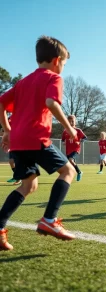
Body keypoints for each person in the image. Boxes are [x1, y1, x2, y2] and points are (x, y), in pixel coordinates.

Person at [0, 35, 77, 251]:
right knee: (68, 171)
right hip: (36, 138)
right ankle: (49, 220)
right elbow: (51, 102)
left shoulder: (23, 81)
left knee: (28, 185)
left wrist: (7, 130)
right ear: (56, 60)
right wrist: (69, 128)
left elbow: (1, 103)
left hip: (18, 142)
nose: (63, 67)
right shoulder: (54, 78)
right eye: (64, 63)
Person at [62, 115, 87, 181]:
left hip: (76, 149)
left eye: (72, 121)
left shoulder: (78, 130)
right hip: (68, 150)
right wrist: (64, 142)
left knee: (71, 160)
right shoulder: (65, 131)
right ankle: (71, 174)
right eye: (69, 121)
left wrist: (80, 141)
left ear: (75, 122)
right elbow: (62, 139)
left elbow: (85, 138)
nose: (71, 123)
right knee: (69, 164)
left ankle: (79, 172)